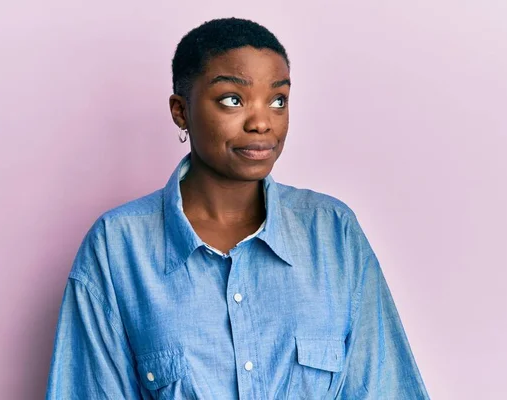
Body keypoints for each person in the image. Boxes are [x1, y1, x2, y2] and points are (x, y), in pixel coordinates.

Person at [45, 17, 429, 399]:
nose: (262, 122)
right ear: (181, 110)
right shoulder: (117, 247)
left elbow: (387, 388)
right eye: (233, 99)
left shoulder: (333, 233)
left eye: (278, 100)